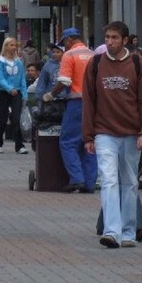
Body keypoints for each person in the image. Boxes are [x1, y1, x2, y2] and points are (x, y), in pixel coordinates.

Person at [82, 21, 142, 248]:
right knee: (109, 180)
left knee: (130, 182)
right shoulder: (95, 64)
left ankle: (128, 231)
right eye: (107, 38)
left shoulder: (137, 64)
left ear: (125, 40)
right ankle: (111, 231)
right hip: (105, 132)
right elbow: (89, 102)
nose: (110, 42)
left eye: (115, 38)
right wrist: (88, 136)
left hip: (132, 133)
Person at [44, 28, 98, 193]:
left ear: (68, 40)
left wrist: (51, 95)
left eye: (64, 43)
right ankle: (89, 183)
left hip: (76, 103)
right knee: (89, 142)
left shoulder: (70, 55)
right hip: (94, 104)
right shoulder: (93, 54)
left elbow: (65, 81)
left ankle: (77, 179)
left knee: (68, 142)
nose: (64, 47)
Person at [0, 38, 29, 154]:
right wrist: (9, 88)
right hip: (3, 92)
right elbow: (0, 78)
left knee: (16, 118)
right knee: (3, 118)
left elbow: (22, 78)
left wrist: (24, 94)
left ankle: (19, 145)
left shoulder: (19, 62)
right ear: (6, 46)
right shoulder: (0, 61)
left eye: (15, 45)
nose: (14, 47)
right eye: (11, 45)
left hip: (16, 92)